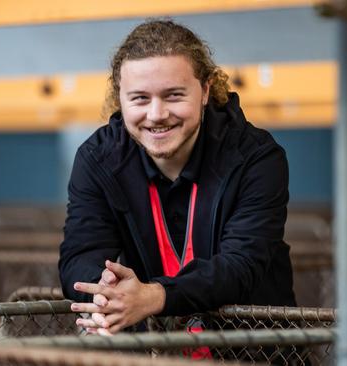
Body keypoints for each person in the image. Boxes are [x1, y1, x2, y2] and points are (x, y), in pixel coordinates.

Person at [58, 19, 296, 335]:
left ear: (205, 91)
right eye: (140, 98)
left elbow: (241, 265)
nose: (156, 114)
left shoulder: (255, 157)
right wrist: (104, 290)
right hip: (153, 352)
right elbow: (80, 254)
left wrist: (154, 296)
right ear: (121, 98)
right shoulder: (99, 159)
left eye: (173, 95)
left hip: (251, 352)